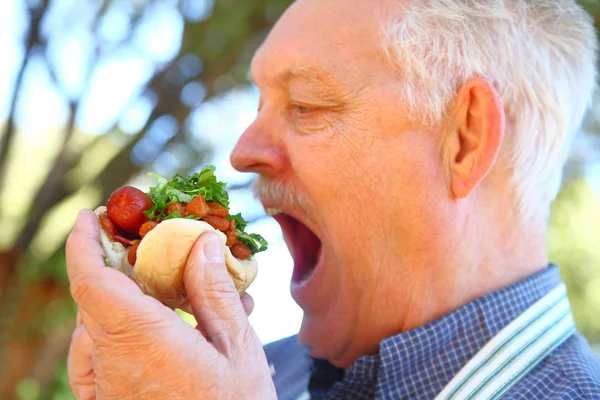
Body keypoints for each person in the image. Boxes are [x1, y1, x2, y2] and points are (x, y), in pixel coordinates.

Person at [65, 0, 600, 398]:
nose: (242, 151)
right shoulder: (258, 378)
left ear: (465, 138)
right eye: (258, 106)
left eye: (306, 104)